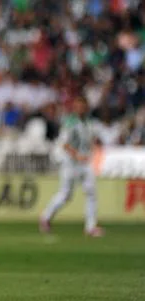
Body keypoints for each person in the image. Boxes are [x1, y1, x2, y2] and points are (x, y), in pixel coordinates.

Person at [39, 96, 104, 237]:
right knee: (65, 195)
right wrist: (77, 155)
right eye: (78, 106)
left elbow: (92, 140)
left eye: (83, 106)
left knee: (91, 193)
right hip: (71, 163)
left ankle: (90, 227)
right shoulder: (70, 122)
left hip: (85, 162)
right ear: (75, 108)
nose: (80, 108)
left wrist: (92, 149)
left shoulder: (89, 122)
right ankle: (45, 217)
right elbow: (65, 144)